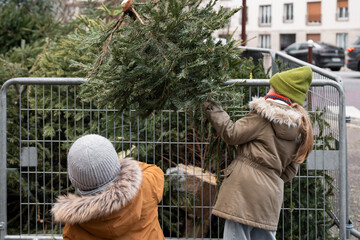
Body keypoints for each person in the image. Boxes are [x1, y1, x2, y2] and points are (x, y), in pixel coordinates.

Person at [204, 66, 314, 240]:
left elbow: (231, 134)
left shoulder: (264, 115)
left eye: (272, 86)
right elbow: (291, 171)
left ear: (280, 91)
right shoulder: (300, 129)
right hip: (270, 196)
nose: (268, 89)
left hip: (243, 190)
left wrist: (211, 107)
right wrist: (268, 179)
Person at [51, 134, 165, 240]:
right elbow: (155, 171)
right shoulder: (147, 185)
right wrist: (123, 167)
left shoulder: (74, 225)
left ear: (75, 180)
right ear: (115, 163)